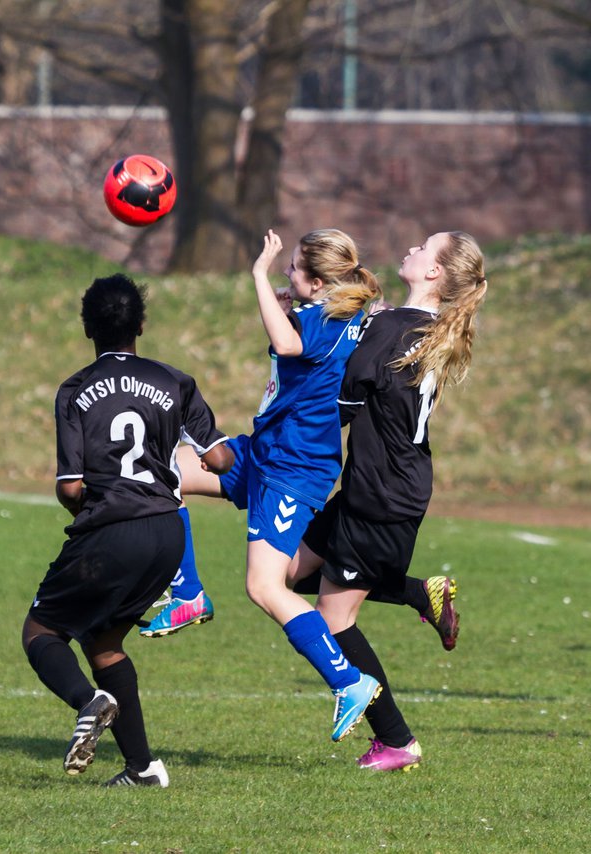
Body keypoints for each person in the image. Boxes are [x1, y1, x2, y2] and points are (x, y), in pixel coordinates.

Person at [143, 228, 384, 741]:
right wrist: (281, 302)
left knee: (265, 586)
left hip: (293, 470)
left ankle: (349, 682)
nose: (285, 273)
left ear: (318, 283)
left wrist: (256, 273)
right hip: (265, 452)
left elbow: (287, 342)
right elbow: (294, 350)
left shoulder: (323, 318)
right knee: (162, 472)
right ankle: (187, 594)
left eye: (293, 269)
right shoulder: (327, 313)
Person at [21, 274, 234, 787]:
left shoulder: (74, 390)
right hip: (167, 533)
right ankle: (143, 768)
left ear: (86, 327)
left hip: (112, 529)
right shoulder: (174, 381)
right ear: (141, 323)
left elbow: (71, 487)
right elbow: (222, 459)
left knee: (42, 631)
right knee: (102, 642)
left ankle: (88, 702)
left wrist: (95, 518)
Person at [289, 231, 488, 772]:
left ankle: (397, 741)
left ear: (435, 274)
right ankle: (419, 592)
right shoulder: (417, 327)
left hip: (378, 497)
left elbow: (342, 403)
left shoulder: (395, 327)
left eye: (425, 247)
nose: (413, 248)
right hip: (382, 487)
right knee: (284, 575)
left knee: (332, 621)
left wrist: (287, 449)